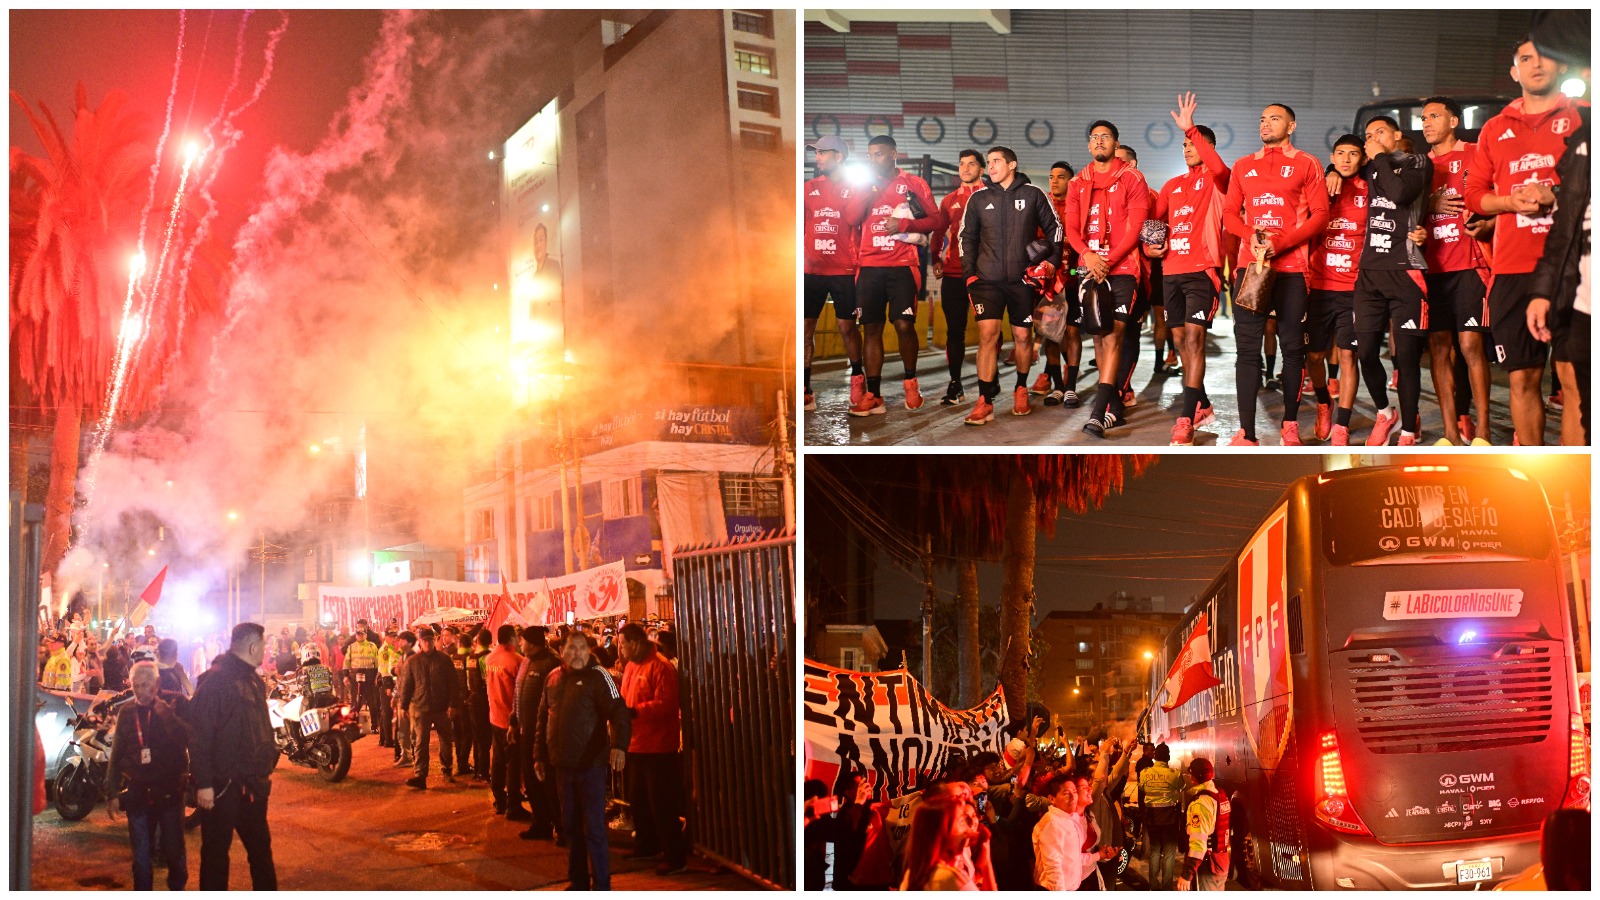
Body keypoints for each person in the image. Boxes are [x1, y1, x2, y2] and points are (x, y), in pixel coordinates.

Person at [1465, 36, 1582, 445]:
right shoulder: (1495, 128)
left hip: (1574, 267)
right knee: (1522, 380)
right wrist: (1507, 201)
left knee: (1574, 384)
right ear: (1515, 71)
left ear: (1560, 67)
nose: (1536, 65)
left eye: (1545, 57)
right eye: (1526, 59)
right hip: (1512, 269)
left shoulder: (1583, 118)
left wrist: (1557, 192)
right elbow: (1474, 193)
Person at [1222, 103, 1332, 445]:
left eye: (1274, 118)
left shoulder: (1307, 163)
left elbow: (1320, 216)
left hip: (1292, 270)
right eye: (1262, 119)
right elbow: (1229, 214)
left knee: (1292, 350)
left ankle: (1290, 426)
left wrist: (1281, 243)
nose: (1266, 124)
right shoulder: (1242, 166)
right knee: (1247, 350)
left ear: (1291, 125)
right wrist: (1249, 236)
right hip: (1252, 268)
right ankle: (1247, 432)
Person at [961, 144, 1063, 424]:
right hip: (986, 281)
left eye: (996, 161)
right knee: (988, 336)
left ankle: (1020, 388)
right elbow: (967, 238)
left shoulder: (1034, 195)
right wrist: (970, 274)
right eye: (989, 162)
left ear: (1012, 164)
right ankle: (985, 401)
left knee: (1022, 337)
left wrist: (1052, 261)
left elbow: (1056, 228)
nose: (990, 166)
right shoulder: (978, 199)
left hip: (1022, 281)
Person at [1062, 122, 1150, 436]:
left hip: (1124, 267)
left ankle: (1099, 413)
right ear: (1089, 146)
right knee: (1098, 335)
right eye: (1095, 138)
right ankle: (1114, 405)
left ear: (1115, 142)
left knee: (1113, 335)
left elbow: (1137, 226)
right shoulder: (1078, 182)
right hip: (1089, 266)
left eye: (1106, 137)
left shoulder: (1132, 177)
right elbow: (1072, 228)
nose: (1100, 142)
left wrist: (1108, 260)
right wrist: (1087, 256)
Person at [1151, 92, 1229, 444]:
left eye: (1193, 143)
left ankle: (1185, 418)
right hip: (1172, 272)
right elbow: (1155, 224)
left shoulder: (1217, 181)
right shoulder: (1172, 185)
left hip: (1203, 270)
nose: (1186, 148)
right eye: (1184, 144)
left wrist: (1192, 128)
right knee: (1180, 338)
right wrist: (1151, 244)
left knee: (1195, 338)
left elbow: (1220, 168)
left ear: (1207, 146)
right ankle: (1202, 403)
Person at [1351, 115, 1434, 446]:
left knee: (1408, 357)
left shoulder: (1416, 161)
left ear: (1397, 135)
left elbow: (1400, 194)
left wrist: (1381, 156)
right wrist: (1331, 171)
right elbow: (1344, 163)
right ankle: (1385, 413)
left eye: (1380, 132)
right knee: (1366, 352)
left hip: (1406, 272)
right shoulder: (1371, 166)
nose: (1372, 139)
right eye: (1368, 135)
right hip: (1370, 272)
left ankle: (1410, 431)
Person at [848, 133, 943, 416]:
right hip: (869, 267)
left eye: (878, 154)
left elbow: (937, 220)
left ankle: (911, 382)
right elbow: (852, 218)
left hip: (902, 266)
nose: (873, 159)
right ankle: (874, 394)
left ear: (893, 154)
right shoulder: (863, 184)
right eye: (870, 155)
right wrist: (867, 192)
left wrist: (902, 222)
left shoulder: (913, 183)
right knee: (872, 329)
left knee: (904, 325)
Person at [1419, 96, 1495, 445]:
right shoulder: (1418, 165)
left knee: (1470, 346)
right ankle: (1449, 433)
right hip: (1431, 270)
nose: (1427, 122)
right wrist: (1427, 203)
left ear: (1453, 121)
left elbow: (1498, 196)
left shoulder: (1477, 152)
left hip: (1469, 265)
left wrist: (1489, 224)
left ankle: (1483, 432)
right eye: (1424, 118)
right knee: (1438, 348)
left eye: (1435, 116)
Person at [533, 631, 631, 891]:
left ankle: (601, 886)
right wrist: (539, 756)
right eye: (572, 648)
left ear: (589, 651)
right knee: (570, 828)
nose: (577, 653)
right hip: (562, 766)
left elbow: (619, 711)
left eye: (582, 648)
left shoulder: (599, 676)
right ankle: (578, 881)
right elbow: (543, 719)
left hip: (591, 766)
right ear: (562, 651)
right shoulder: (552, 678)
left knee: (594, 830)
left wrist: (620, 746)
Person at [189, 622, 278, 890]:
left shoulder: (252, 679)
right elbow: (199, 735)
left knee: (261, 851)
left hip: (252, 785)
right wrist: (203, 783)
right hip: (221, 786)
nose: (266, 650)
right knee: (216, 854)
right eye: (264, 645)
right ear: (253, 647)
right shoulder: (216, 682)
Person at [107, 661, 192, 890]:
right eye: (135, 686)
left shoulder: (176, 702)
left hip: (170, 791)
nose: (140, 691)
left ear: (157, 684)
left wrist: (167, 716)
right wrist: (112, 792)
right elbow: (117, 754)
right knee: (142, 857)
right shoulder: (126, 712)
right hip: (138, 792)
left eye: (145, 685)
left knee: (174, 851)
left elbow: (189, 739)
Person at [802, 136, 869, 412]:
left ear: (839, 156)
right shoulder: (807, 188)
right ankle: (805, 389)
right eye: (815, 153)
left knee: (846, 327)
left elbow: (854, 220)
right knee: (805, 329)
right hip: (811, 271)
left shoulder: (855, 187)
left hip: (844, 269)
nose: (816, 157)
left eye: (822, 152)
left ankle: (857, 377)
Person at [618, 623, 688, 875]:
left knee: (661, 803)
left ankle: (675, 856)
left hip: (658, 746)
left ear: (635, 643)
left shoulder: (661, 666)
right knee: (638, 800)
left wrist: (635, 711)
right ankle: (647, 845)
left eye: (623, 644)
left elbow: (666, 704)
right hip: (636, 744)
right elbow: (626, 699)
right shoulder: (631, 667)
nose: (621, 649)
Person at [930, 148, 987, 406]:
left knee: (989, 331)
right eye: (962, 164)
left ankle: (990, 383)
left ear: (981, 169)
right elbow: (937, 231)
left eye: (971, 164)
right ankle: (955, 384)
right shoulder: (949, 199)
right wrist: (935, 258)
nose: (965, 168)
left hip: (985, 275)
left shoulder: (992, 196)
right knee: (955, 332)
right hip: (954, 275)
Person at [512, 625, 561, 842]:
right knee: (531, 781)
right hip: (525, 732)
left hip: (543, 735)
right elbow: (518, 693)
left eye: (521, 641)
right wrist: (514, 722)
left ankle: (560, 826)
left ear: (531, 643)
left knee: (548, 782)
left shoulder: (551, 663)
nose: (519, 645)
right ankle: (540, 823)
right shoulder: (525, 662)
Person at [399, 626, 457, 789]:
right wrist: (403, 705)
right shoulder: (413, 661)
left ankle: (447, 770)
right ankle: (420, 775)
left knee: (445, 740)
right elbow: (407, 685)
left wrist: (453, 704)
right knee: (420, 742)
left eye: (430, 640)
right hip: (421, 707)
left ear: (434, 641)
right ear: (420, 642)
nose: (427, 643)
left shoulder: (445, 660)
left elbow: (454, 684)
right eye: (424, 640)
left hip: (441, 707)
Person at [486, 624, 527, 818]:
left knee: (498, 760)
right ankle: (513, 805)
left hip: (495, 715)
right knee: (513, 763)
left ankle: (499, 799)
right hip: (511, 718)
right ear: (512, 638)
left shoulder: (490, 658)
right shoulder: (517, 660)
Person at [899, 793, 980, 891]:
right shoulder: (949, 878)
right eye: (962, 821)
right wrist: (986, 863)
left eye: (974, 815)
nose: (968, 827)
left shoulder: (912, 874)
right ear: (944, 831)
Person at [1175, 757, 1230, 891]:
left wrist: (1187, 874)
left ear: (1194, 777)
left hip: (1206, 866)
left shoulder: (1201, 803)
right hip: (1221, 862)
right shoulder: (1220, 796)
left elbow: (1198, 843)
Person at [1139, 742, 1185, 890]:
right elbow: (1181, 787)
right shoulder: (1175, 774)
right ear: (1168, 757)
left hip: (1152, 818)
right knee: (1169, 853)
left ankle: (1153, 884)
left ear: (1155, 757)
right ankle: (1166, 887)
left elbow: (1141, 788)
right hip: (1170, 819)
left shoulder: (1145, 772)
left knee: (1155, 851)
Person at [1031, 770, 1085, 891]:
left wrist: (1097, 856)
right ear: (1052, 798)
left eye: (1075, 792)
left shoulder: (1069, 818)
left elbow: (1073, 856)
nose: (1073, 797)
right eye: (1066, 793)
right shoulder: (1052, 824)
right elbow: (1053, 868)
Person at [342, 626, 379, 732]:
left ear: (366, 635)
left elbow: (377, 663)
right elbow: (346, 662)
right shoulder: (351, 647)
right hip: (355, 678)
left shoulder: (372, 646)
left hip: (370, 677)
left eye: (362, 634)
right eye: (358, 634)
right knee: (355, 703)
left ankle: (374, 726)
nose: (360, 636)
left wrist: (377, 676)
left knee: (372, 703)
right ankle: (354, 726)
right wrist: (345, 676)